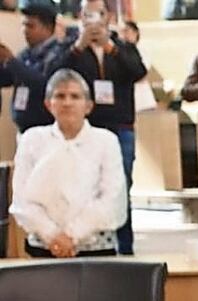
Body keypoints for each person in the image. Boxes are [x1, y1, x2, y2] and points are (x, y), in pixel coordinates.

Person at [50, 0, 146, 256]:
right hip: (84, 130)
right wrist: (79, 46)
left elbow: (138, 71)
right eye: (88, 14)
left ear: (108, 16)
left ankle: (125, 249)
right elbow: (52, 74)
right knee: (83, 187)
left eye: (99, 14)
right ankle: (84, 243)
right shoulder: (71, 47)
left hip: (120, 127)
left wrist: (110, 47)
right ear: (81, 16)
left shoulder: (122, 45)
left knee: (120, 188)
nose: (94, 20)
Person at [12, 68, 126, 258]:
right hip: (45, 245)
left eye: (75, 96)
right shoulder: (32, 139)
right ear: (49, 104)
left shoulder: (106, 141)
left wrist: (72, 235)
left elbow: (111, 198)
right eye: (60, 96)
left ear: (88, 105)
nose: (67, 103)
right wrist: (53, 236)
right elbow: (22, 199)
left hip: (95, 246)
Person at [0, 4, 66, 134]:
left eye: (30, 26)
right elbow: (7, 79)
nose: (24, 30)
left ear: (47, 28)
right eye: (23, 25)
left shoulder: (59, 53)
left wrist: (11, 61)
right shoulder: (25, 54)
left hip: (45, 130)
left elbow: (43, 84)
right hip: (23, 130)